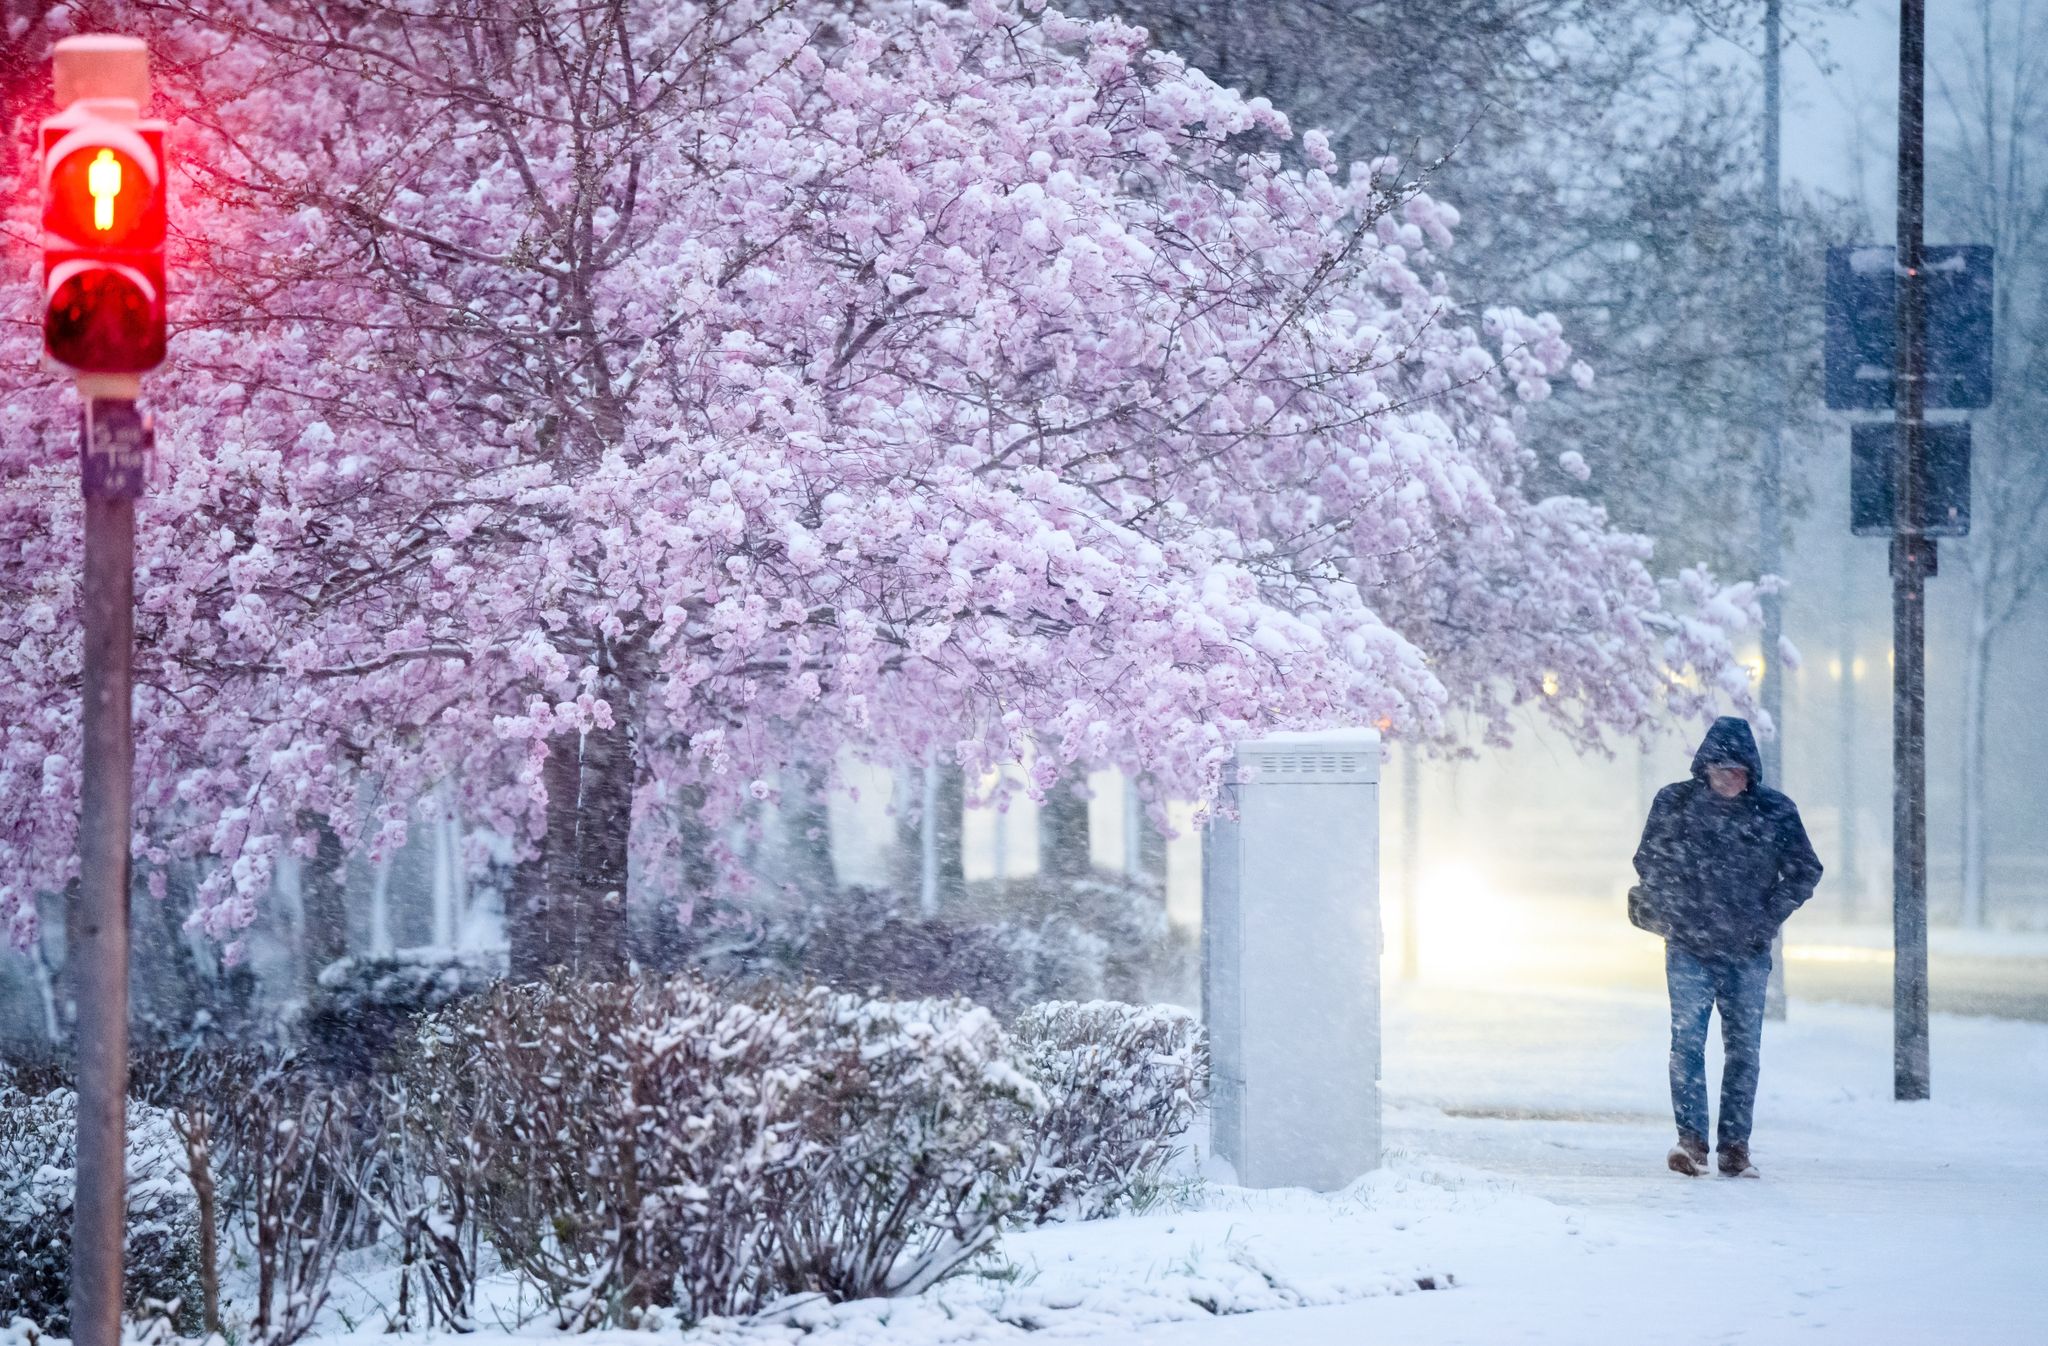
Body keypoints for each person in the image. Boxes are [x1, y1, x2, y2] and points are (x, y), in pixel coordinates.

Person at [1629, 716, 1823, 1179]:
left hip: (1746, 952)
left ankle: (1734, 1148)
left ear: (1751, 772)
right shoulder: (1675, 804)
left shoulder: (1775, 811)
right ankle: (1691, 1143)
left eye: (1737, 770)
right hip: (1688, 946)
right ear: (1705, 767)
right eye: (1721, 768)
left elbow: (1805, 870)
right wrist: (1676, 909)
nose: (1729, 778)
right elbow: (1649, 860)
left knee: (1743, 1051)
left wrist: (1765, 918)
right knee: (1687, 1044)